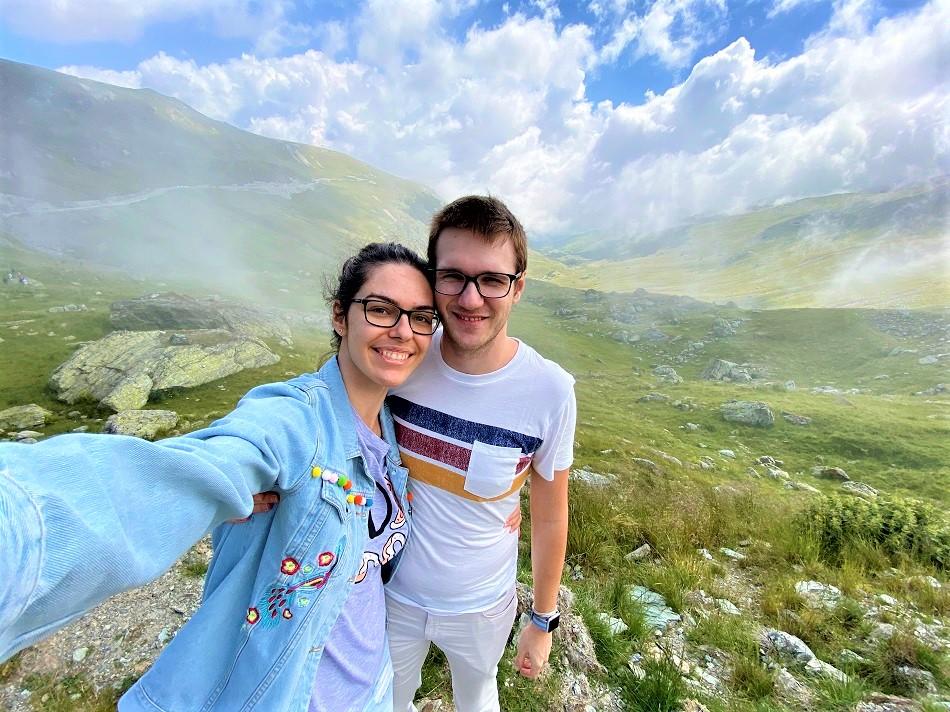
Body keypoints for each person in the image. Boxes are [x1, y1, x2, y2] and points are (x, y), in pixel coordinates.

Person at [0, 242, 440, 711]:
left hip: (373, 690)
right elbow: (205, 465)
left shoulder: (390, 428)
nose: (402, 331)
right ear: (340, 316)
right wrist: (23, 528)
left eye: (420, 317)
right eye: (380, 310)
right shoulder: (295, 419)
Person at [385, 195, 577, 712]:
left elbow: (550, 515)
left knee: (477, 697)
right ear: (432, 279)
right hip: (386, 592)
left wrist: (542, 620)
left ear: (518, 287)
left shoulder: (550, 391)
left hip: (482, 605)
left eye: (492, 279)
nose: (471, 299)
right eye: (452, 276)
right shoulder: (401, 357)